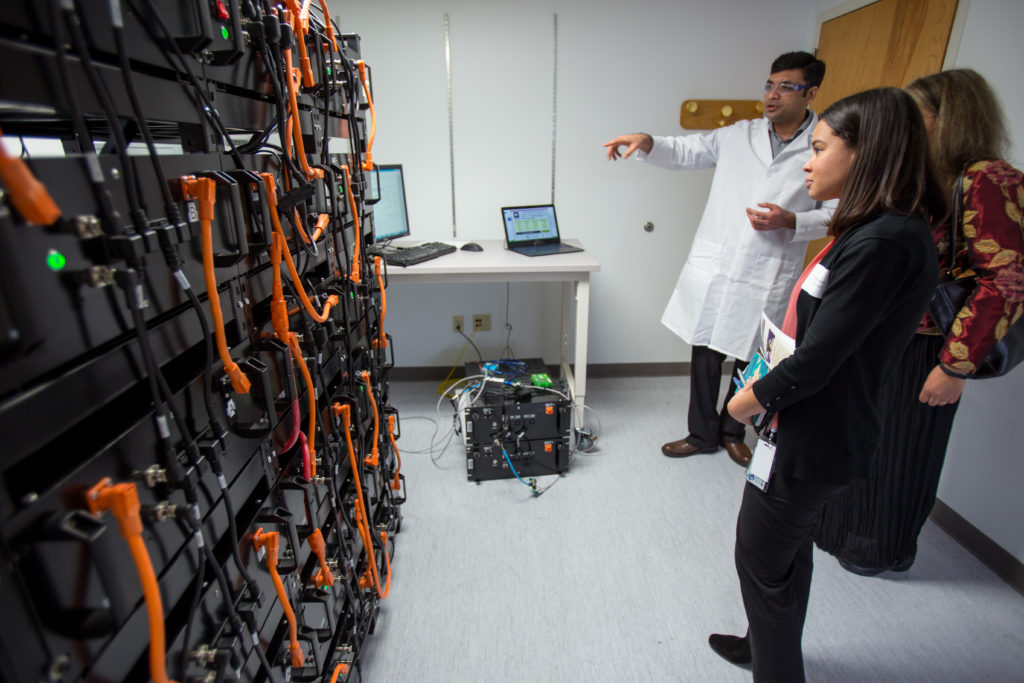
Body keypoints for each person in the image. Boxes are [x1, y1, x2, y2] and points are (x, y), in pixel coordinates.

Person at [712, 87, 944, 682]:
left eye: (818, 148)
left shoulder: (886, 242)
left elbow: (819, 360)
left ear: (866, 152)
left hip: (815, 430)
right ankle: (764, 646)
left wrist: (743, 403)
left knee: (761, 557)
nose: (807, 164)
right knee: (784, 550)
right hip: (801, 419)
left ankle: (777, 670)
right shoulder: (872, 229)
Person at [814, 69, 1024, 576]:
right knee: (856, 441)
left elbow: (1006, 281)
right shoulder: (920, 177)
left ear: (946, 119)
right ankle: (839, 532)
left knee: (899, 454)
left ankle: (877, 547)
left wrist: (954, 366)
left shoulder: (987, 178)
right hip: (880, 335)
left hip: (927, 347)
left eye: (915, 115)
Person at [603, 51, 834, 468]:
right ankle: (700, 433)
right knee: (705, 352)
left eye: (786, 87)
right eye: (769, 84)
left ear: (811, 93)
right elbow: (686, 150)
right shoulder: (738, 134)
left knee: (751, 356)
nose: (772, 94)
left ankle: (733, 432)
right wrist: (647, 141)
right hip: (720, 265)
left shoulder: (823, 144)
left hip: (770, 269)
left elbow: (835, 212)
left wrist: (791, 220)